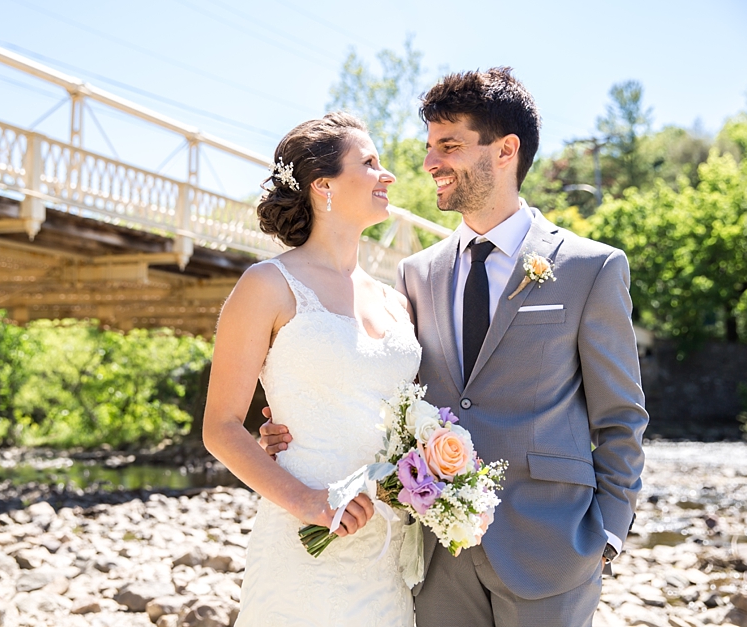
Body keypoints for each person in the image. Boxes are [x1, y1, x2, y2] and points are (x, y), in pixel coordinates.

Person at [261, 68, 649, 626]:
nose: (428, 164)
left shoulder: (592, 268)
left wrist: (608, 533)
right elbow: (384, 388)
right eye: (428, 147)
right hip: (438, 556)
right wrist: (291, 424)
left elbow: (621, 416)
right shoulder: (415, 274)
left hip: (553, 551)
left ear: (505, 150)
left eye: (449, 145)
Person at [202, 112, 420, 626]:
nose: (386, 175)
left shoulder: (397, 301)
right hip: (307, 543)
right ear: (323, 185)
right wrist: (306, 502)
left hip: (390, 551)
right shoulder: (267, 285)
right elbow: (220, 426)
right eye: (369, 163)